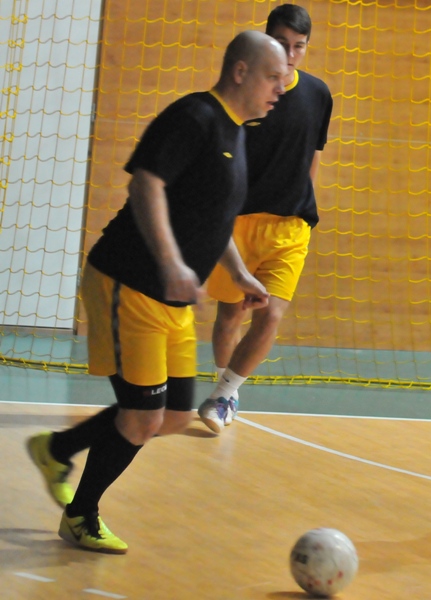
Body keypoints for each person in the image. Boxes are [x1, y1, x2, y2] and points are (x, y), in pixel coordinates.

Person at [25, 30, 288, 554]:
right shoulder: (194, 117)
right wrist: (170, 262)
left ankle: (57, 449)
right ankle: (81, 514)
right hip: (130, 282)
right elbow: (145, 183)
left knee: (171, 417)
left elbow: (215, 217)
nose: (281, 89)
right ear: (240, 71)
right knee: (143, 415)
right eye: (273, 77)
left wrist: (238, 273)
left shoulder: (238, 133)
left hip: (173, 298)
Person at [197, 4, 333, 434]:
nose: (290, 55)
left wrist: (303, 201)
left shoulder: (318, 95)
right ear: (266, 40)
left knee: (271, 315)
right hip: (239, 223)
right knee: (230, 317)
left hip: (290, 225)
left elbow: (313, 155)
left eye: (299, 47)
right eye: (282, 44)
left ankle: (223, 394)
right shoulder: (247, 92)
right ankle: (225, 384)